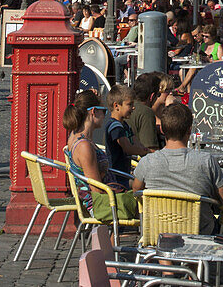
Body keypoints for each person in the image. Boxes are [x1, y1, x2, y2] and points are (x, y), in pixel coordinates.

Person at [132, 101, 223, 232]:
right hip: (200, 237)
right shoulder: (206, 161)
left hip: (159, 234)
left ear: (162, 130)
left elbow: (137, 192)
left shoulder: (147, 162)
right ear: (189, 130)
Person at [64, 90, 139, 223]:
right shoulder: (84, 146)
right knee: (148, 204)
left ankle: (112, 243)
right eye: (103, 111)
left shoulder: (76, 135)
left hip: (105, 197)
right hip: (101, 204)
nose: (105, 115)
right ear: (93, 112)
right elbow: (97, 189)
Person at [103, 84, 151, 178]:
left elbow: (136, 143)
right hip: (116, 176)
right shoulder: (115, 126)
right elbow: (128, 148)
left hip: (125, 173)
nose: (133, 107)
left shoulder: (125, 125)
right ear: (116, 106)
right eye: (129, 104)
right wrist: (145, 152)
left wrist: (144, 149)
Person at [129, 72, 162, 150]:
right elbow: (151, 150)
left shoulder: (123, 106)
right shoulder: (146, 112)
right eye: (158, 95)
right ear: (152, 96)